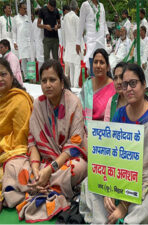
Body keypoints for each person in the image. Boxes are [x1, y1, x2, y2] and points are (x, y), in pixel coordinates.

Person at [3, 60, 87, 222]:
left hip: (64, 162)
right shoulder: (39, 104)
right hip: (42, 164)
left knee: (78, 168)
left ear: (62, 83)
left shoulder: (73, 103)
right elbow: (33, 141)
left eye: (52, 80)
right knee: (12, 165)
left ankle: (37, 187)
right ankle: (44, 186)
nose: (48, 85)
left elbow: (74, 145)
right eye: (44, 80)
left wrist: (49, 170)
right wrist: (36, 170)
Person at [80, 63, 148, 224]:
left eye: (133, 83)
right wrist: (108, 190)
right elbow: (110, 154)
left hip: (142, 184)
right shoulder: (120, 113)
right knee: (89, 183)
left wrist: (124, 205)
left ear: (144, 85)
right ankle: (103, 221)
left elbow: (147, 171)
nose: (129, 88)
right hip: (117, 177)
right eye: (125, 85)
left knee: (144, 206)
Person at [0, 58, 33, 213]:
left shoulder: (19, 100)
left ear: (12, 77)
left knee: (10, 172)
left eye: (3, 74)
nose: (0, 79)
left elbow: (21, 139)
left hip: (15, 153)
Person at [80, 48, 115, 122]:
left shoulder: (114, 88)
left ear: (108, 67)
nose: (98, 66)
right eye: (95, 62)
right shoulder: (87, 85)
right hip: (86, 127)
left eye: (102, 62)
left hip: (106, 129)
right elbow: (80, 108)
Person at [77, 0, 109, 76]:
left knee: (102, 62)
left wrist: (107, 33)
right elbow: (81, 24)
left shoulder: (101, 6)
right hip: (91, 40)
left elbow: (103, 22)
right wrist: (78, 42)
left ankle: (101, 85)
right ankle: (93, 84)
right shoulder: (85, 5)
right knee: (92, 63)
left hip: (101, 39)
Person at [62, 0, 82, 88]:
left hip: (68, 44)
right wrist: (82, 47)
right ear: (77, 8)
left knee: (72, 66)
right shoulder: (76, 18)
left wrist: (64, 45)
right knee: (77, 66)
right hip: (76, 45)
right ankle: (75, 85)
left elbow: (63, 32)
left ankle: (72, 86)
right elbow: (79, 34)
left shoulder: (65, 17)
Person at [12, 2, 32, 80]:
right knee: (23, 59)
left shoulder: (28, 17)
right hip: (20, 41)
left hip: (28, 41)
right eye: (24, 8)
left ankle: (31, 75)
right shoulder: (15, 18)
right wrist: (14, 42)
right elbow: (14, 31)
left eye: (26, 9)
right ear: (20, 9)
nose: (25, 10)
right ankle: (26, 76)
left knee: (30, 58)